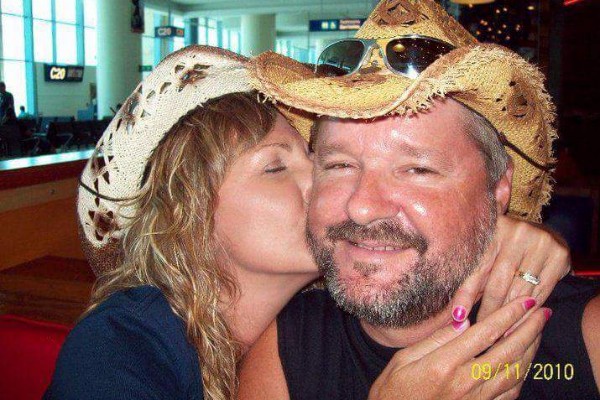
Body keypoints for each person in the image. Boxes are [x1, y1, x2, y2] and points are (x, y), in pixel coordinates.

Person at [45, 45, 569, 400]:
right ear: (192, 212)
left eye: (325, 163)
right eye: (276, 167)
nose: (337, 194)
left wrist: (510, 234)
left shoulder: (333, 312)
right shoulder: (122, 346)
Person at [240, 1, 600, 399]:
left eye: (417, 170)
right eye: (340, 165)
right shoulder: (289, 348)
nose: (362, 207)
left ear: (499, 188)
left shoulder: (587, 337)